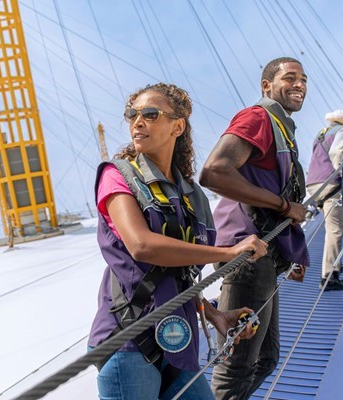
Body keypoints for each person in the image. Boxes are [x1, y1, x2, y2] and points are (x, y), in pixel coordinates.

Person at [88, 83, 268, 400]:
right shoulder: (117, 176)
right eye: (132, 114)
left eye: (150, 114)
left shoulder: (192, 196)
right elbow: (142, 246)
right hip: (129, 341)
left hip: (177, 341)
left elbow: (178, 273)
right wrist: (228, 251)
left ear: (178, 126)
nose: (137, 122)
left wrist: (213, 315)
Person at [200, 57, 309, 399]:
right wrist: (283, 206)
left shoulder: (281, 128)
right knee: (238, 364)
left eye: (304, 79)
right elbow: (214, 171)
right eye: (290, 78)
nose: (300, 84)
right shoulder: (259, 117)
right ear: (267, 86)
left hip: (265, 254)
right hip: (247, 256)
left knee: (265, 358)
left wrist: (289, 251)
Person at [305, 110, 343, 291]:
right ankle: (329, 276)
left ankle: (334, 267)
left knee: (332, 228)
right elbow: (337, 154)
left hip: (313, 184)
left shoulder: (322, 133)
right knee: (335, 230)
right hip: (330, 184)